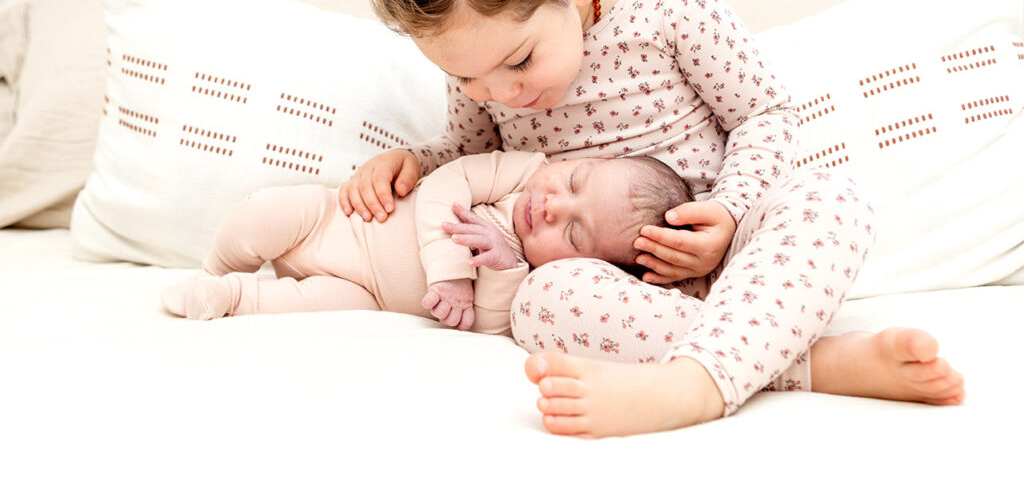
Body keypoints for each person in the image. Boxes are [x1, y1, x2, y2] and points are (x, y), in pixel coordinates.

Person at [341, 0, 966, 437]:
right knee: (538, 301)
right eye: (465, 76)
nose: (499, 93)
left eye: (521, 62)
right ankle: (809, 362)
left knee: (830, 198)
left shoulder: (668, 7)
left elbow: (764, 115)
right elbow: (473, 155)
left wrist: (729, 209)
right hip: (617, 292)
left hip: (732, 258)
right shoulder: (484, 70)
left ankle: (692, 385)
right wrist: (413, 161)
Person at [161, 150, 692, 333]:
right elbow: (444, 183)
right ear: (580, 162)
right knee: (264, 214)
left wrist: (503, 267)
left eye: (573, 231)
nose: (553, 205)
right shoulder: (525, 171)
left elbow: (487, 324)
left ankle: (223, 299)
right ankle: (214, 269)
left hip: (368, 296)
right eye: (575, 182)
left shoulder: (529, 277)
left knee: (292, 309)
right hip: (336, 222)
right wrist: (450, 276)